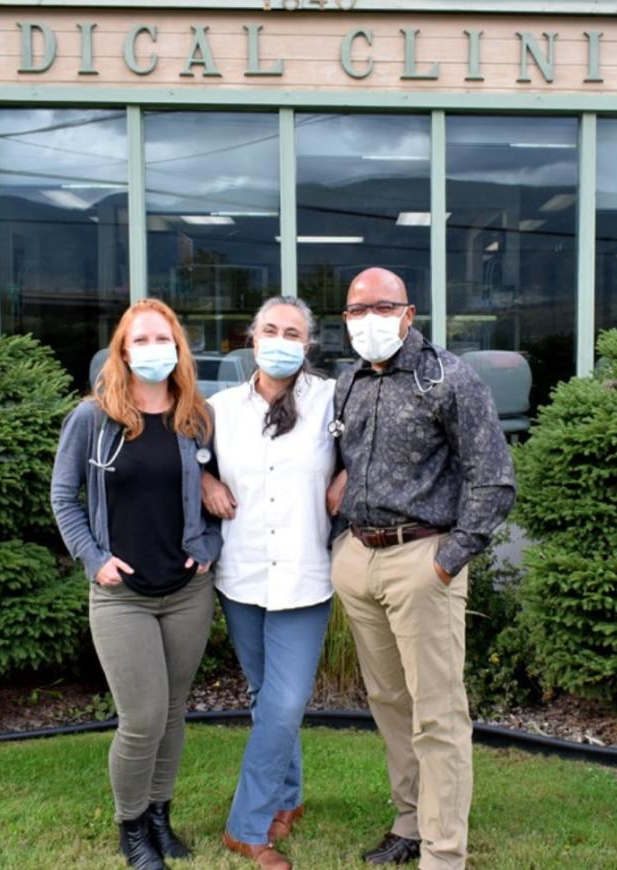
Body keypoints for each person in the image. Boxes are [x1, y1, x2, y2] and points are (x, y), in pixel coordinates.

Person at [328, 268, 516, 870]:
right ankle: (409, 823)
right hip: (361, 562)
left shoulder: (448, 378)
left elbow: (494, 479)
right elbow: (340, 464)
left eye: (381, 307)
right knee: (388, 702)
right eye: (356, 310)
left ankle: (443, 852)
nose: (367, 320)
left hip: (423, 561)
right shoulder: (349, 382)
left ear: (408, 314)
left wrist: (449, 561)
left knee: (437, 714)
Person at [50, 298, 222, 870]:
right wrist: (93, 557)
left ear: (178, 347)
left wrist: (208, 547)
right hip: (121, 595)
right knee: (142, 717)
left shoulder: (195, 415)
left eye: (163, 338)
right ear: (122, 351)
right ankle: (130, 829)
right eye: (141, 340)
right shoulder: (94, 418)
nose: (154, 349)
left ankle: (159, 817)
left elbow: (217, 491)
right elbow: (63, 496)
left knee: (173, 712)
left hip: (186, 592)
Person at [202, 296, 336, 870]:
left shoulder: (332, 400)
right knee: (265, 698)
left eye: (294, 332)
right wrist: (206, 480)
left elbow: (369, 449)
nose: (282, 339)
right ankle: (288, 798)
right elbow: (188, 460)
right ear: (252, 338)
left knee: (284, 702)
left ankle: (246, 826)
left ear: (307, 345)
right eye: (271, 329)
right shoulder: (217, 408)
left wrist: (349, 472)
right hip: (243, 576)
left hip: (305, 578)